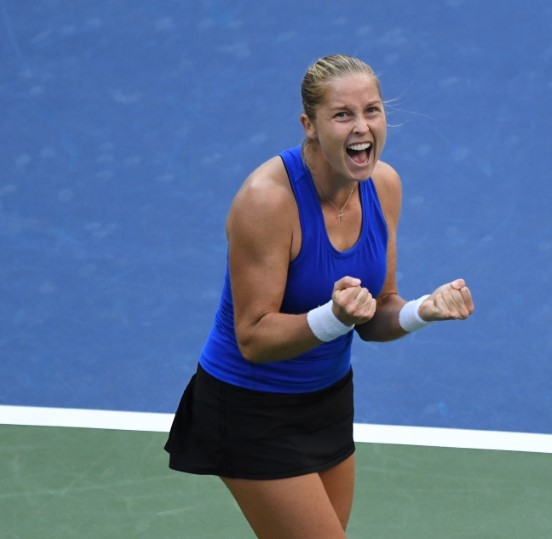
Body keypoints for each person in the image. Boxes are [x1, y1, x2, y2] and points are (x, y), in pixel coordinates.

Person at [165, 54, 474, 538]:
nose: (362, 127)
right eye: (343, 114)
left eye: (372, 110)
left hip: (327, 402)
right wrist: (332, 317)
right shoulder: (267, 201)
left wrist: (421, 311)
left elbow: (374, 317)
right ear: (309, 125)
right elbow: (252, 336)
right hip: (248, 408)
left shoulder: (384, 186)